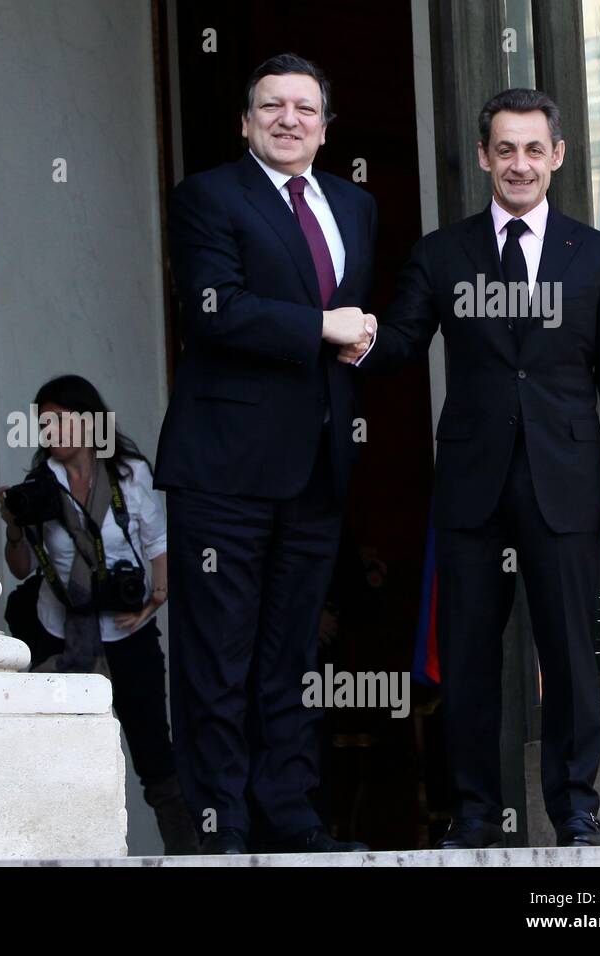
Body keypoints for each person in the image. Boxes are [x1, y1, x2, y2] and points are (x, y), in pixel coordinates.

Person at [343, 89, 600, 848]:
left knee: (574, 657)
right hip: (474, 487)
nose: (519, 164)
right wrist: (346, 336)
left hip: (567, 483)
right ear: (484, 157)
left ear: (558, 157)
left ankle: (575, 811)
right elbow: (404, 341)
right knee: (472, 659)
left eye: (533, 150)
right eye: (504, 150)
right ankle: (476, 814)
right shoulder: (443, 253)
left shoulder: (599, 256)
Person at [154, 54, 378, 854]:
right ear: (245, 121)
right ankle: (222, 826)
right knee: (219, 658)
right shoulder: (210, 196)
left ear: (325, 124)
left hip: (316, 467)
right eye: (272, 106)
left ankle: (290, 816)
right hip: (225, 466)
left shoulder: (354, 204)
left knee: (290, 656)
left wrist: (362, 334)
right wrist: (326, 327)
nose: (289, 119)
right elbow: (216, 310)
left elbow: (349, 318)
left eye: (305, 108)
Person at [0, 374, 198, 854]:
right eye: (43, 424)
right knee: (59, 748)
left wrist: (157, 596)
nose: (50, 433)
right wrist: (13, 529)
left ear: (88, 421)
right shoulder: (40, 488)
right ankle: (61, 852)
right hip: (62, 633)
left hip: (129, 633)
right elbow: (22, 567)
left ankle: (190, 857)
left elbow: (158, 540)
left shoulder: (129, 474)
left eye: (58, 421)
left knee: (154, 752)